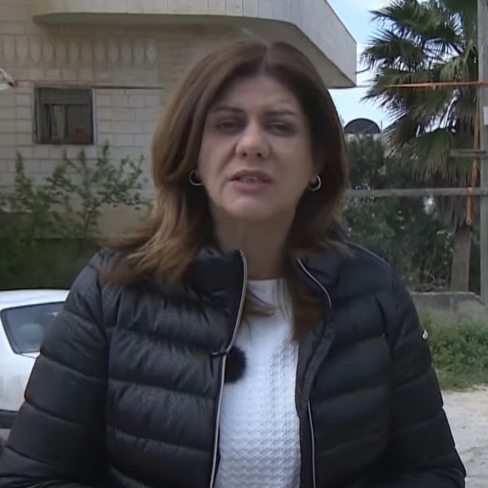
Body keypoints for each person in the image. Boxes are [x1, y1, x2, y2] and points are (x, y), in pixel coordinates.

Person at [0, 34, 465, 488]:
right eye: (227, 124)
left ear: (316, 160)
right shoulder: (113, 291)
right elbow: (30, 476)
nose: (252, 144)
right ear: (193, 155)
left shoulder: (373, 293)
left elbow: (435, 472)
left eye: (280, 126)